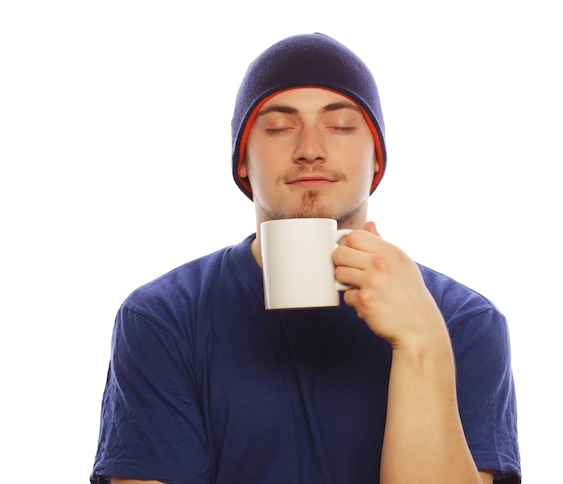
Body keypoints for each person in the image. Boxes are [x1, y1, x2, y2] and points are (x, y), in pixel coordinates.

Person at [90, 33, 521, 483]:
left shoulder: (465, 322)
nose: (310, 148)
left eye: (340, 126)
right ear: (242, 161)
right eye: (278, 127)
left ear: (376, 161)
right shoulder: (163, 317)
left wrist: (421, 342)